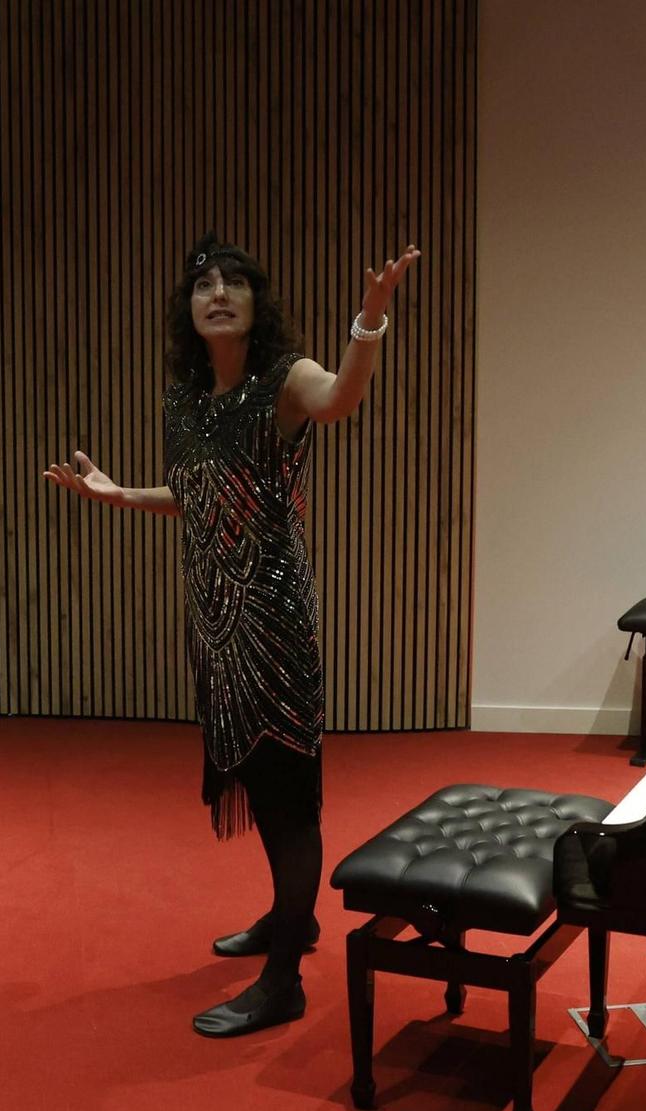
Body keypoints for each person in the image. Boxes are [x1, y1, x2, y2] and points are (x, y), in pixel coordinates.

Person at [45, 232, 418, 1037]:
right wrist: (120, 495)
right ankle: (294, 919)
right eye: (203, 284)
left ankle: (284, 977)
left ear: (256, 304)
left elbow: (342, 400)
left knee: (287, 797)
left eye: (234, 283)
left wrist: (370, 320)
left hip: (275, 622)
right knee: (251, 770)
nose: (218, 292)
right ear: (189, 309)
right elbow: (201, 498)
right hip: (214, 621)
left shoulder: (285, 378)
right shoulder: (184, 398)